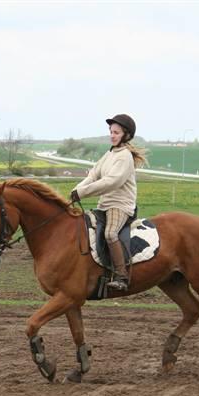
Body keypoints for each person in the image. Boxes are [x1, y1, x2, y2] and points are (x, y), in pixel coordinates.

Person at [70, 114, 146, 291]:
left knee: (111, 234)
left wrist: (82, 193)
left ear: (126, 135)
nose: (112, 135)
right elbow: (93, 175)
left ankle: (121, 276)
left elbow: (112, 181)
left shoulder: (125, 156)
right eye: (111, 132)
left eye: (116, 132)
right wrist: (75, 190)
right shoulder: (110, 153)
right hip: (104, 204)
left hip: (121, 205)